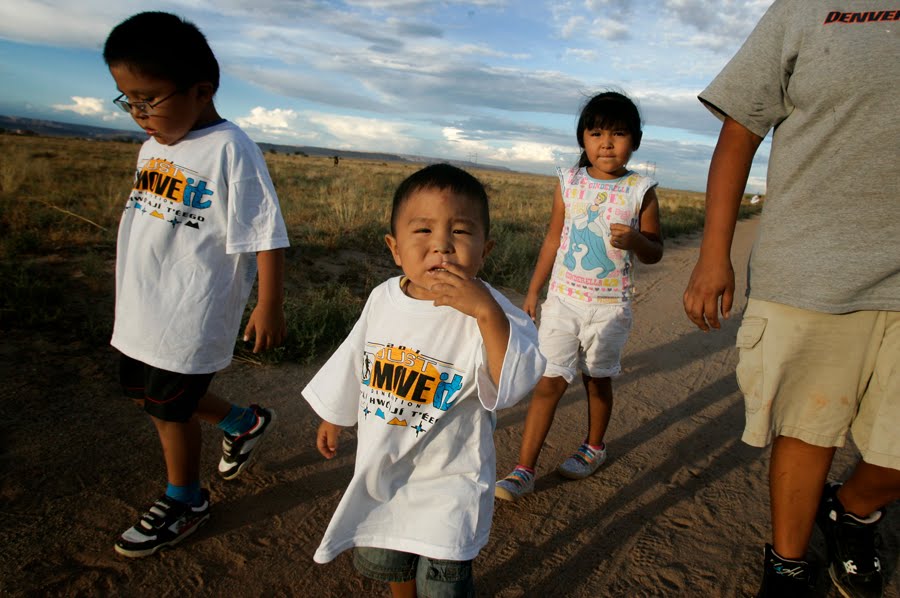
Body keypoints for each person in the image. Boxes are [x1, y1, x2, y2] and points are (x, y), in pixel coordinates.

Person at [682, 2, 899, 597]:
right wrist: (712, 255)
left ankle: (852, 511)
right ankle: (786, 564)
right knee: (808, 429)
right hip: (812, 268)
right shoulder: (807, 8)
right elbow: (739, 131)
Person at [302, 164, 546, 597]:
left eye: (460, 232)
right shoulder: (383, 298)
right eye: (423, 231)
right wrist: (334, 414)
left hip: (450, 483)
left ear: (485, 249)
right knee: (394, 558)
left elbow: (516, 379)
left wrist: (486, 313)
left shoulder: (493, 312)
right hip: (385, 471)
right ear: (395, 248)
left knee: (443, 584)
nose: (442, 247)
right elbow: (357, 357)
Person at [103, 11, 290, 558]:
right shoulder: (153, 147)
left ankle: (185, 499)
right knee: (144, 391)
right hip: (143, 304)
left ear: (201, 89)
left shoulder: (230, 147)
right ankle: (244, 420)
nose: (138, 114)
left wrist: (269, 303)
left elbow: (265, 232)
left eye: (148, 98)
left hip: (192, 307)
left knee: (169, 405)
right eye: (127, 100)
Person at [495, 91, 664, 501]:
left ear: (635, 141)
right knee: (549, 381)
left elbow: (655, 252)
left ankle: (593, 447)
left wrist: (637, 240)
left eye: (618, 134)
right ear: (582, 139)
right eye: (596, 133)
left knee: (597, 381)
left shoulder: (640, 190)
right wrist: (534, 291)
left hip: (609, 308)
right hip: (564, 300)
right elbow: (554, 240)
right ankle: (523, 469)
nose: (606, 143)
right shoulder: (568, 183)